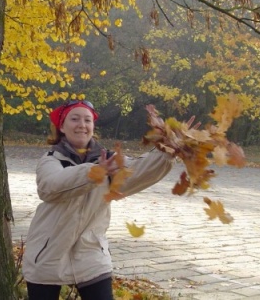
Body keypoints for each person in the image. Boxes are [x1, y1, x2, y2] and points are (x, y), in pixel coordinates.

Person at [22, 99, 175, 300]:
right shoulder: (51, 160)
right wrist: (96, 172)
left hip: (91, 251)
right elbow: (51, 186)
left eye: (87, 120)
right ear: (62, 126)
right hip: (47, 252)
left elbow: (137, 171)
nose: (82, 125)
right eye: (74, 119)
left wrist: (167, 152)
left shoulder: (108, 160)